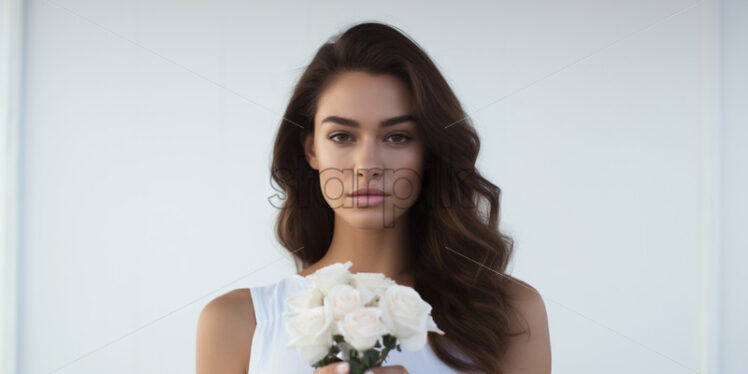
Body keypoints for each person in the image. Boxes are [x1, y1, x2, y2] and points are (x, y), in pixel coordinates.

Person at [196, 21, 551, 373]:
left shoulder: (508, 313)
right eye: (342, 136)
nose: (367, 165)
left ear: (428, 151)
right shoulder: (239, 323)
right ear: (311, 150)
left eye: (397, 137)